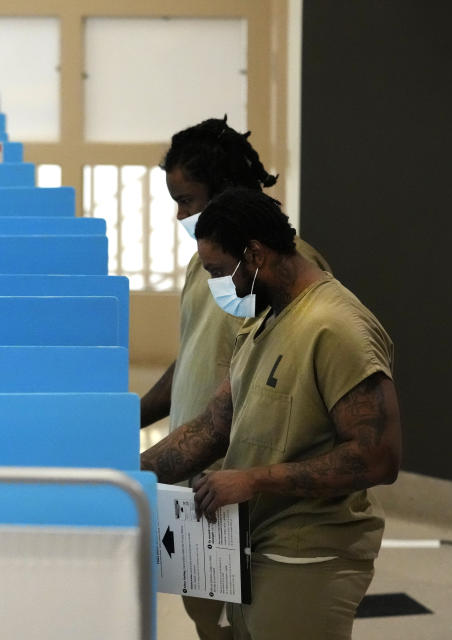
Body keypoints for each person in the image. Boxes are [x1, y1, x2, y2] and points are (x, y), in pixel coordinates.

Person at [141, 188, 402, 640]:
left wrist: (253, 480)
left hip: (309, 552)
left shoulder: (336, 328)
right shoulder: (263, 320)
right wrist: (124, 474)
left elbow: (377, 458)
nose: (219, 287)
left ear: (256, 254)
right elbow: (212, 427)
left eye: (220, 273)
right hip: (253, 544)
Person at [140, 117, 330, 639]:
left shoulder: (279, 271)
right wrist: (132, 417)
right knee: (209, 621)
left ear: (225, 189)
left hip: (237, 486)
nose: (180, 214)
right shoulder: (208, 263)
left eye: (188, 198)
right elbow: (197, 358)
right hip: (193, 483)